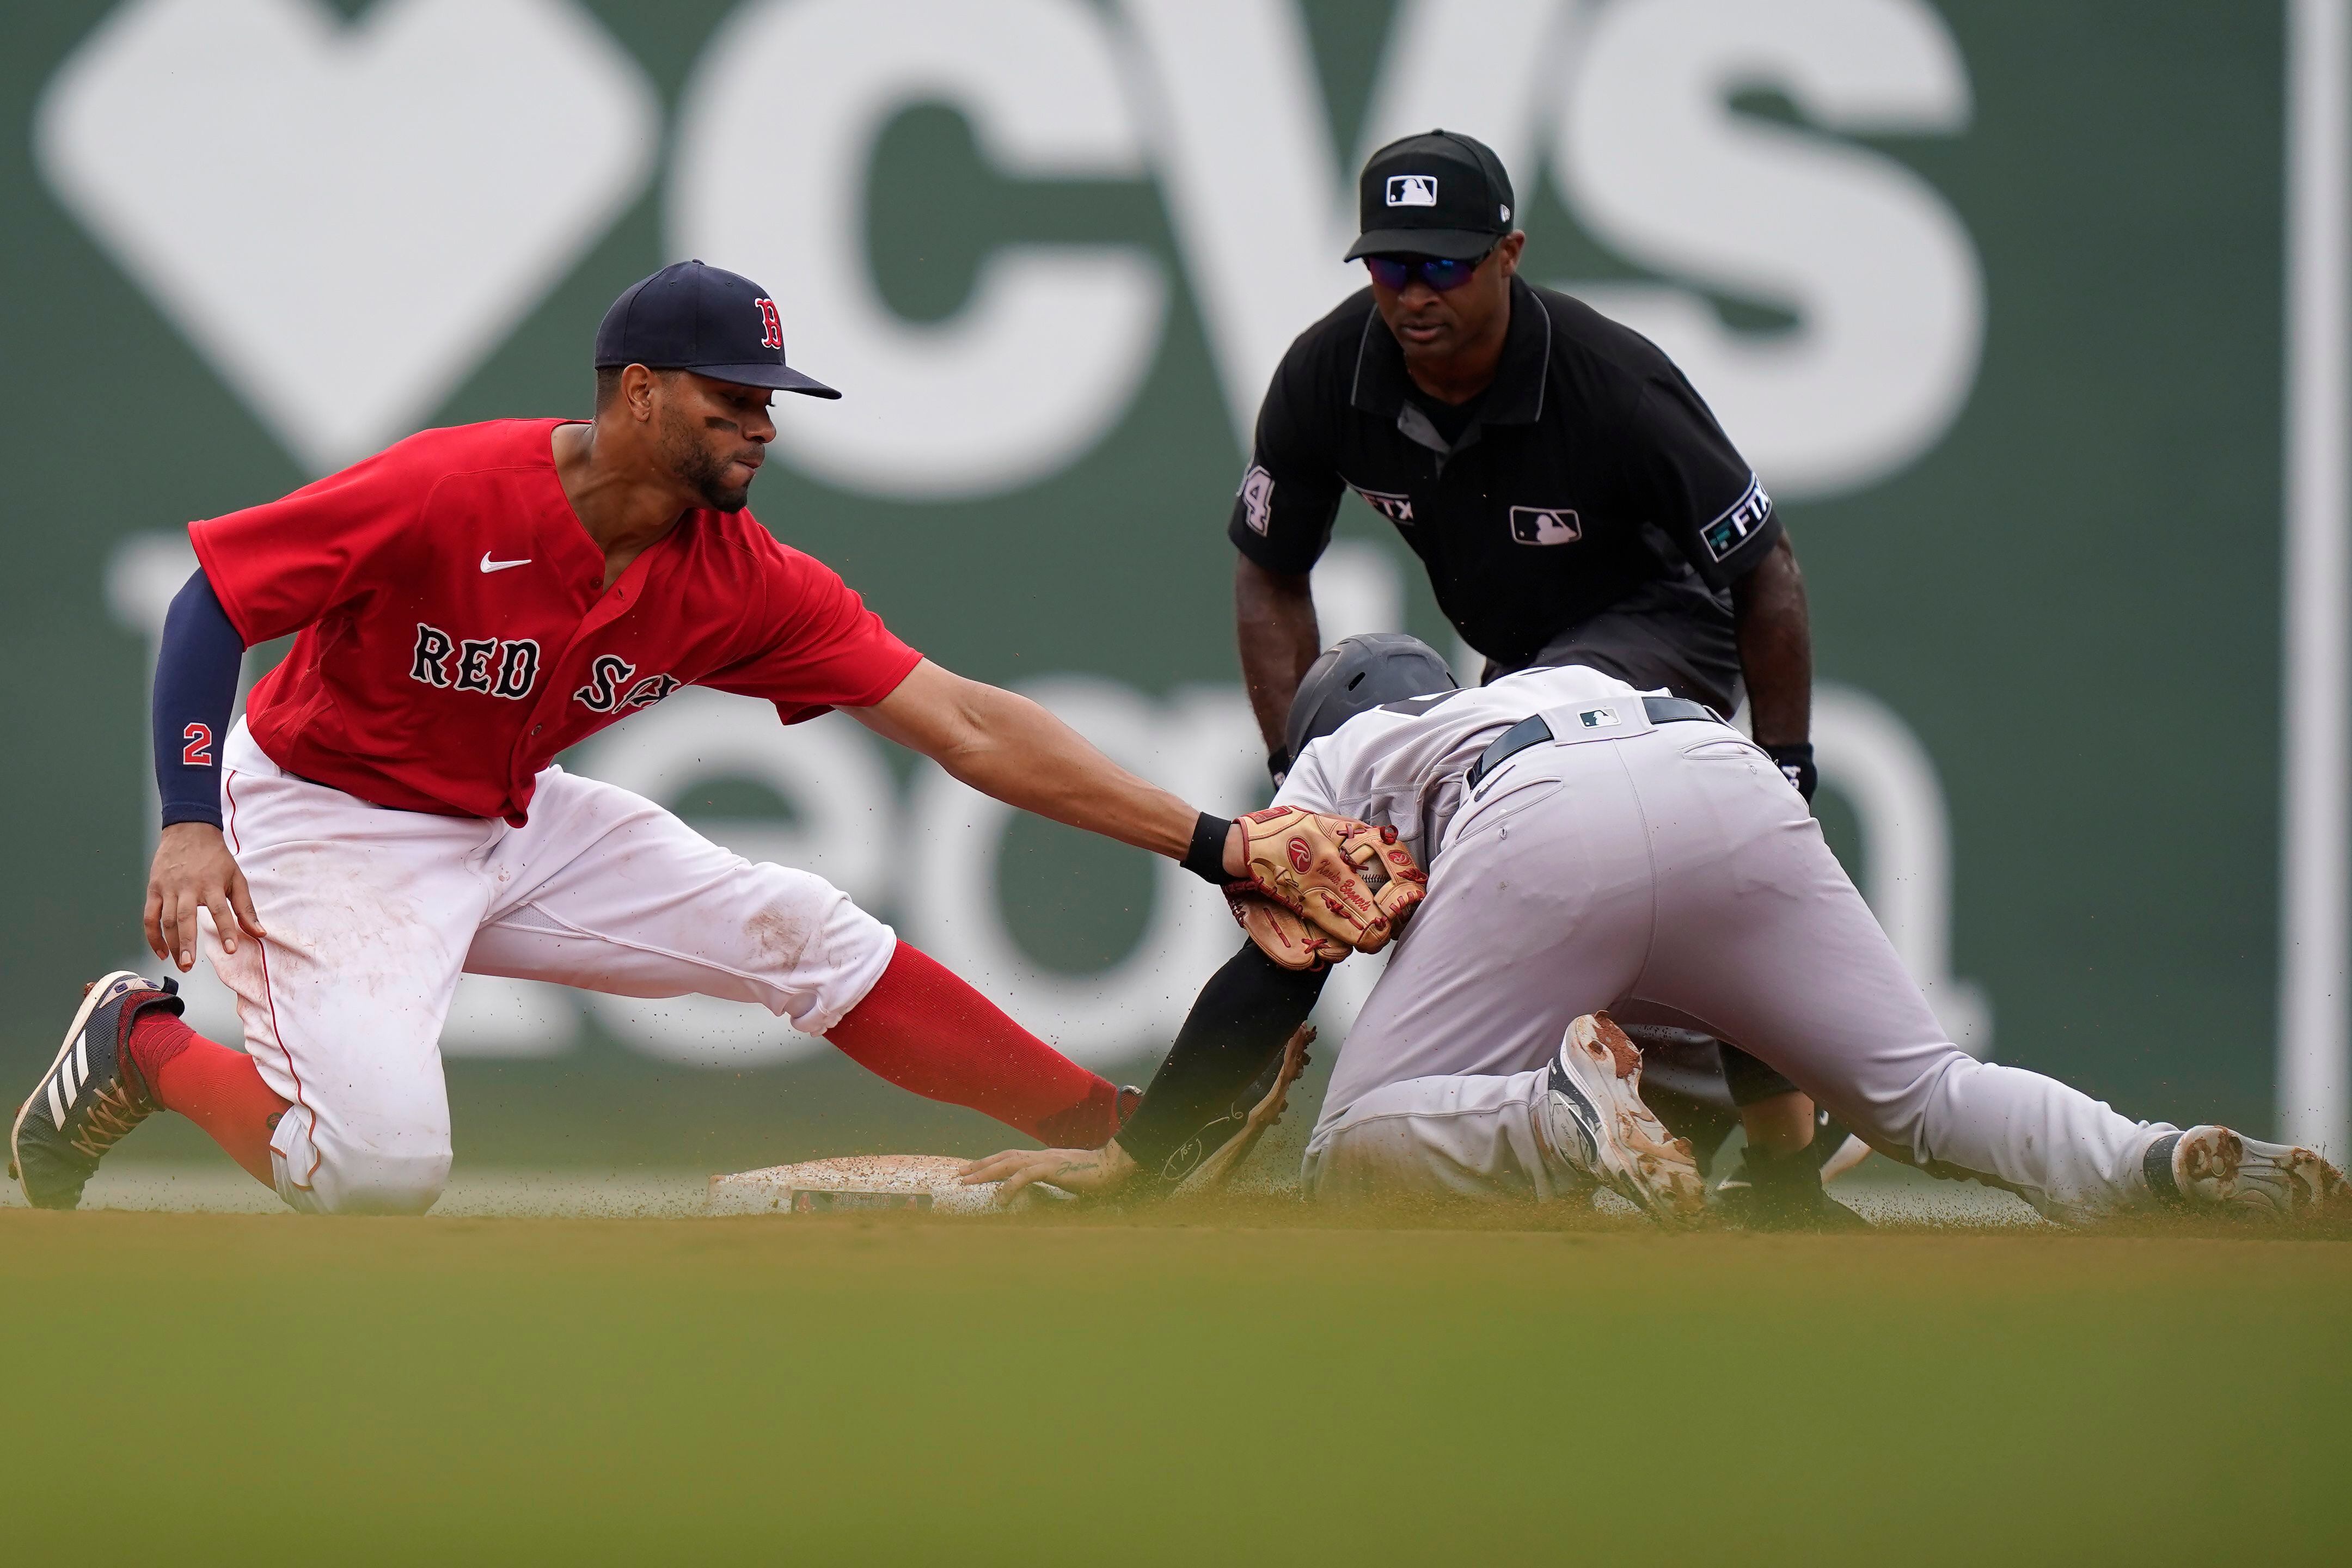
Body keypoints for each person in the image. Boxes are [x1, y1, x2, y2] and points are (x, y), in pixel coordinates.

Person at [9, 262, 1412, 1215]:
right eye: (729, 397)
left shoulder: (737, 574)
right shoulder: (453, 489)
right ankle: (137, 1046)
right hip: (323, 818)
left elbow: (969, 726)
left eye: (770, 403)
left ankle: (1116, 1142)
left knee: (800, 929)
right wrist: (190, 815)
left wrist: (1219, 843)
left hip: (508, 815)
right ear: (634, 392)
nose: (760, 425)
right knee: (377, 1177)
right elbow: (217, 598)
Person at [963, 635, 2349, 1228]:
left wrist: (1141, 1164)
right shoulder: (1533, 683)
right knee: (1929, 1092)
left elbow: (1273, 982)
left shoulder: (1344, 758)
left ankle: (1563, 1124)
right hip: (1716, 772)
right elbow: (1759, 1037)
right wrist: (1788, 1175)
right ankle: (2164, 1164)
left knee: (1353, 1159)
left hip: (1535, 820)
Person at [1225, 128, 1835, 1194]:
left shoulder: (1612, 381)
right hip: (1524, 663)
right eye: (1391, 265)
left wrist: (1783, 766)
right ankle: (1694, 1126)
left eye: (1446, 265)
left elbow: (1765, 566)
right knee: (1532, 884)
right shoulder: (1333, 374)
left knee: (1531, 826)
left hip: (1659, 631)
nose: (1416, 295)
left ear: (1509, 254)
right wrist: (1298, 788)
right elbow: (1272, 570)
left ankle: (1777, 1142)